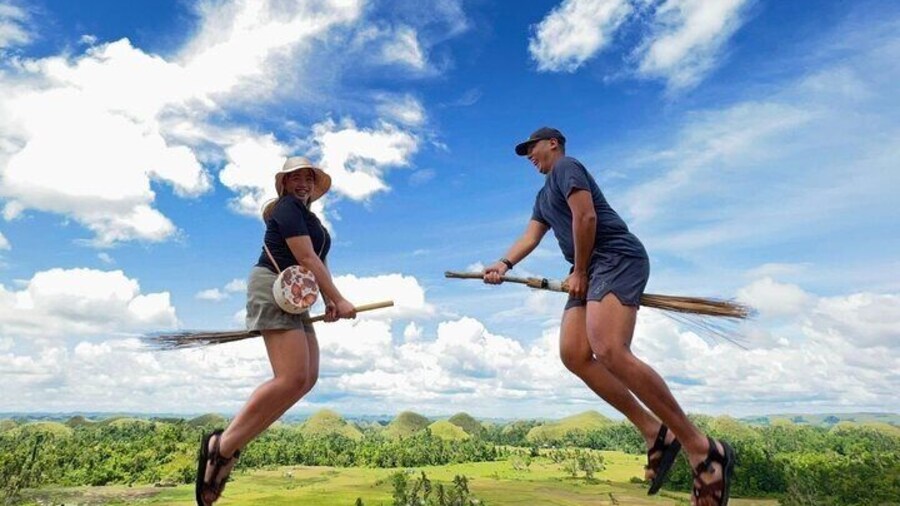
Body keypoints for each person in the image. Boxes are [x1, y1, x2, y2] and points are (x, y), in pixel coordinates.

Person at [483, 127, 735, 506]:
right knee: (574, 353)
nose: (528, 156)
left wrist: (580, 271)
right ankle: (655, 432)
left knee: (609, 349)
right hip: (586, 269)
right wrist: (503, 264)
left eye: (531, 148)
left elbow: (585, 218)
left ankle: (701, 448)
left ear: (553, 143)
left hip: (615, 258)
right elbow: (531, 236)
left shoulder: (567, 167)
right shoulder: (542, 195)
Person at [195, 156, 357, 506]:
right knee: (289, 376)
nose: (302, 184)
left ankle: (229, 447)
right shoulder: (286, 209)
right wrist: (340, 299)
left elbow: (319, 262)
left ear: (315, 187)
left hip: (297, 295)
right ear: (283, 184)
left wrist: (329, 300)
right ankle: (220, 448)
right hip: (273, 287)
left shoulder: (312, 219)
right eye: (295, 178)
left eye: (308, 179)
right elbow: (306, 258)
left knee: (306, 378)